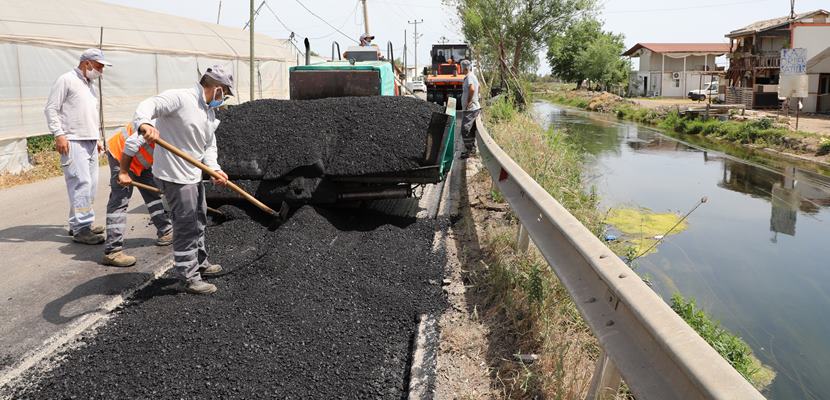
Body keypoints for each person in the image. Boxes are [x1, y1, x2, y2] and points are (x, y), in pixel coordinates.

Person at [122, 65, 232, 295]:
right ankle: (187, 276)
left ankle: (199, 263)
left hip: (193, 174)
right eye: (226, 94)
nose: (225, 99)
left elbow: (208, 145)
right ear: (218, 88)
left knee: (199, 218)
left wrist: (214, 169)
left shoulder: (208, 112)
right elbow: (149, 104)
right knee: (186, 225)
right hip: (174, 175)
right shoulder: (181, 98)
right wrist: (145, 124)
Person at [45, 48, 112, 244]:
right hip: (73, 140)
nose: (101, 71)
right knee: (80, 183)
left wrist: (97, 138)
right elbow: (51, 109)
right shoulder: (66, 80)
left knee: (90, 185)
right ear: (87, 63)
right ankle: (82, 229)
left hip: (89, 141)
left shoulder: (91, 86)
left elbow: (89, 115)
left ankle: (79, 223)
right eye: (99, 66)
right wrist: (59, 134)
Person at [101, 123, 174, 267]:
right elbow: (132, 142)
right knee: (120, 200)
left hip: (141, 161)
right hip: (121, 154)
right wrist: (123, 172)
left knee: (153, 193)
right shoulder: (161, 122)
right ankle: (112, 251)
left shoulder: (175, 126)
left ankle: (166, 230)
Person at [460, 60, 481, 159]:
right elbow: (479, 87)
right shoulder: (473, 76)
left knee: (465, 130)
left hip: (471, 109)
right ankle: (471, 149)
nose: (460, 69)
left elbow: (472, 89)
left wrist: (469, 102)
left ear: (464, 68)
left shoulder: (469, 77)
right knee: (471, 130)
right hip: (473, 108)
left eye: (461, 67)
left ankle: (469, 150)